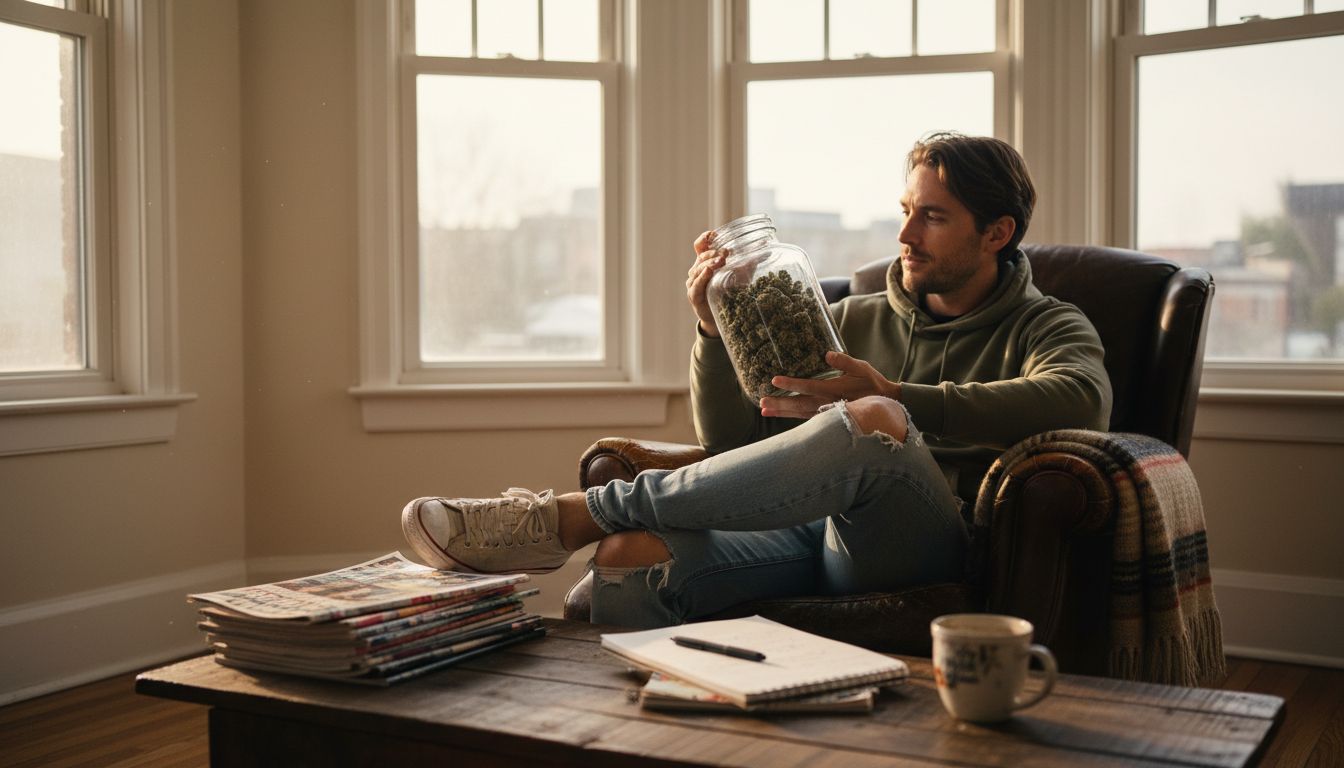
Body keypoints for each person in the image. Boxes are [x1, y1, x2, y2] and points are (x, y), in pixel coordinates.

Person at [400, 131, 1112, 628]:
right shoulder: (847, 316)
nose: (905, 235)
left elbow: (1083, 398)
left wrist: (894, 395)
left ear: (996, 233)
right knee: (628, 558)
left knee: (874, 422)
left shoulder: (1048, 325)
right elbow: (734, 438)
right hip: (806, 538)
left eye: (932, 217)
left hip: (921, 543)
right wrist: (711, 330)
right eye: (905, 212)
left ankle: (573, 515)